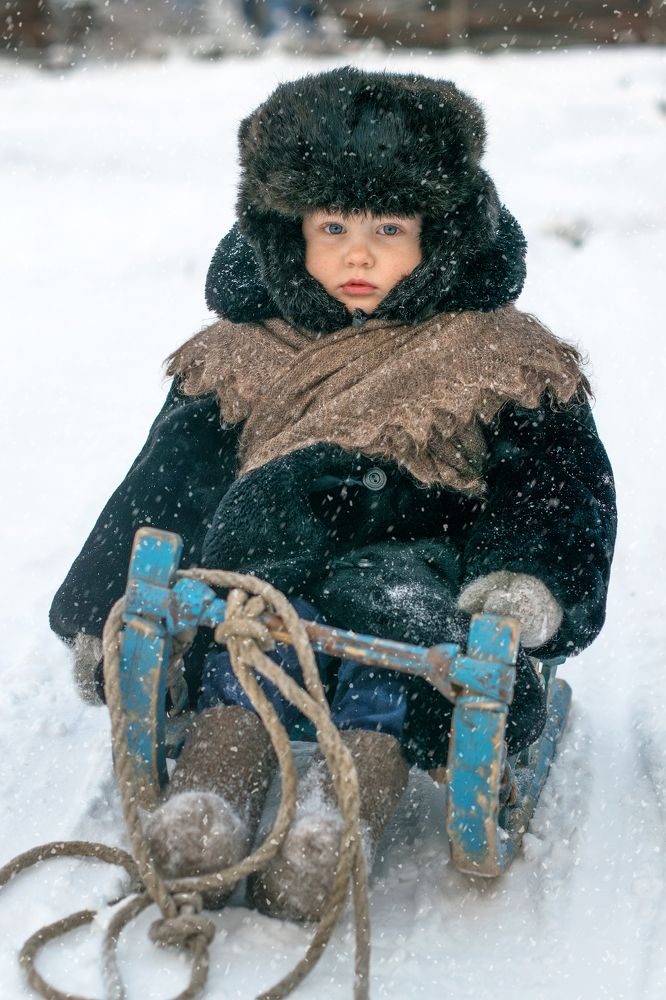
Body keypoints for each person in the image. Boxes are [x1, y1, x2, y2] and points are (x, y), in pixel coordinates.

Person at [49, 67, 617, 921]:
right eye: (332, 227)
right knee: (242, 653)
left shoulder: (499, 355)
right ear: (288, 233)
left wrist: (524, 576)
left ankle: (339, 814)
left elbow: (554, 484)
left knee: (384, 666)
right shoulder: (238, 352)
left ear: (438, 233)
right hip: (259, 572)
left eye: (390, 227)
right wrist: (104, 605)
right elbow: (166, 480)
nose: (359, 254)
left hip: (408, 588)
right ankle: (211, 793)